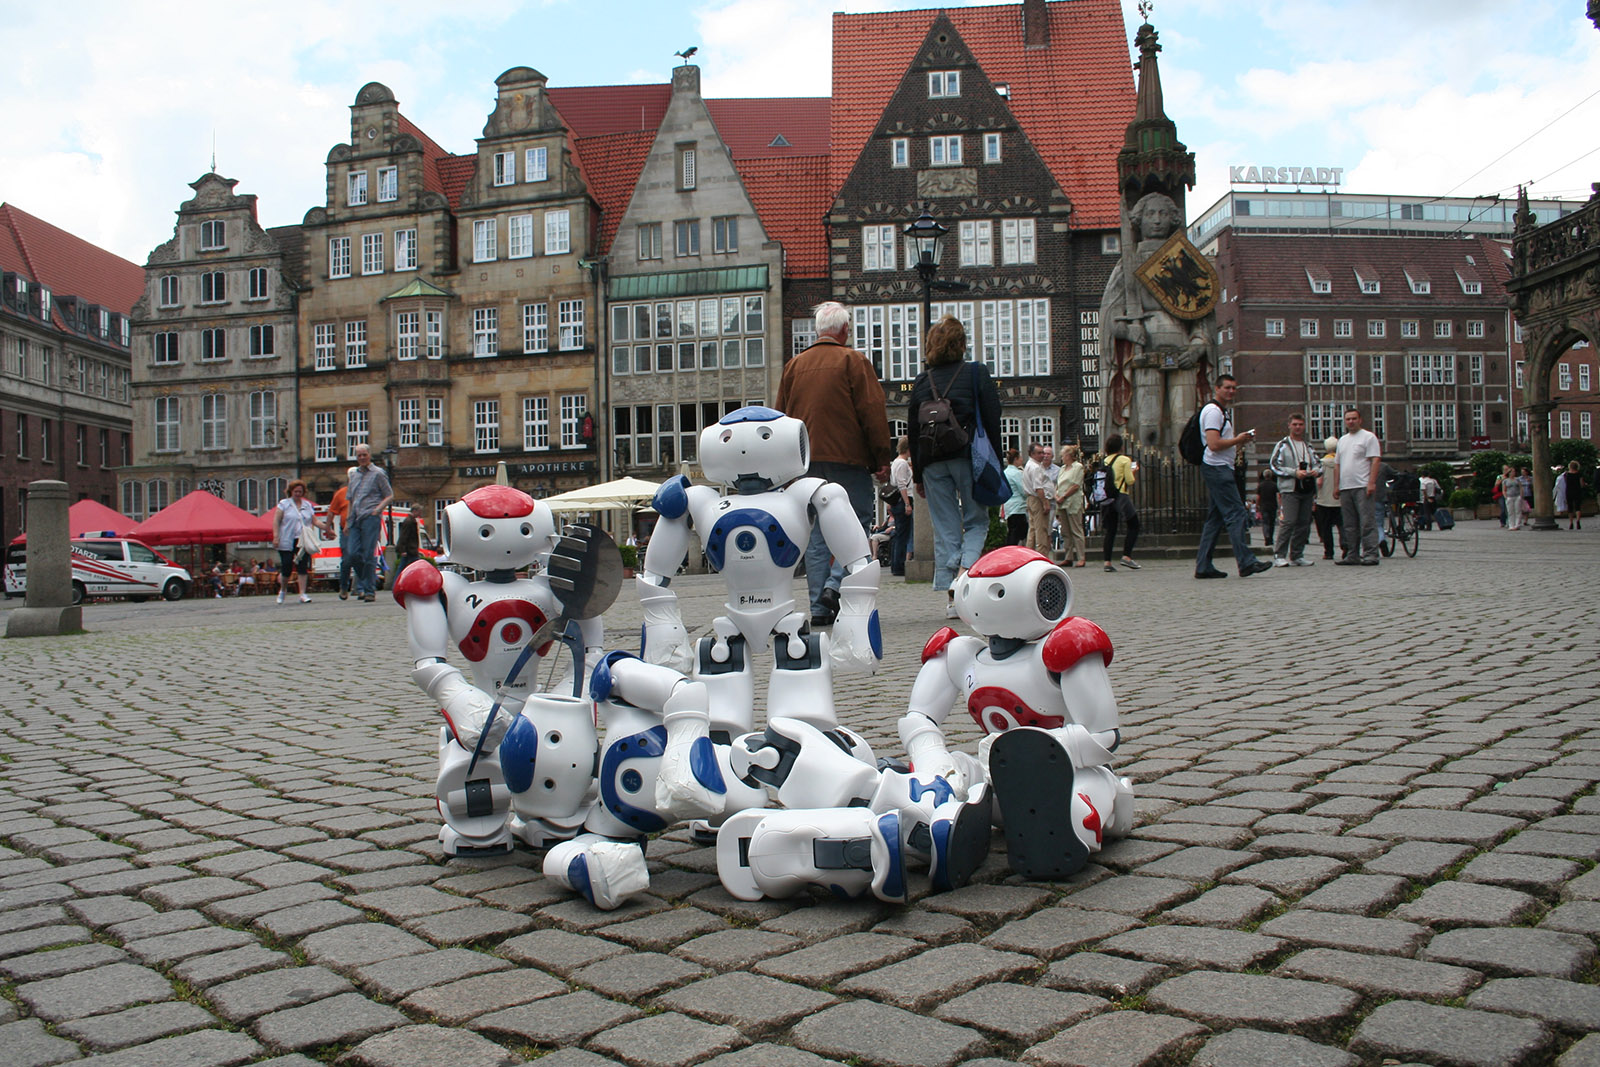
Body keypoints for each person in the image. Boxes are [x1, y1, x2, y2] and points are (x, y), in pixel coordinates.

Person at [775, 301, 892, 627]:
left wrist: (786, 466)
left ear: (817, 331)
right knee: (854, 522)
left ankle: (819, 608)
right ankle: (834, 585)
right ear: (844, 330)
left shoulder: (793, 366)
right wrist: (881, 457)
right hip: (847, 459)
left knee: (816, 535)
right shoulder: (853, 360)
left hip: (805, 464)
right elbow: (872, 412)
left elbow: (780, 417)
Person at [908, 315, 1003, 619]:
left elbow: (912, 430)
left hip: (933, 461)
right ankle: (964, 578)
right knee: (977, 521)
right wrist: (996, 462)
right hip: (967, 456)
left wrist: (918, 473)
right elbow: (991, 420)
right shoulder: (976, 373)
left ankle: (951, 596)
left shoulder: (923, 380)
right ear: (961, 344)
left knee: (946, 527)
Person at [1195, 375, 1269, 578]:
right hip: (1217, 468)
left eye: (1234, 388)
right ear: (1217, 388)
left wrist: (1238, 441)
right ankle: (1246, 562)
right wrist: (1238, 440)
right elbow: (1213, 444)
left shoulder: (1220, 411)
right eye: (1227, 387)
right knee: (1236, 514)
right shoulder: (1213, 412)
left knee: (1214, 519)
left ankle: (1203, 566)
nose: (1231, 391)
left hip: (1220, 467)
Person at [1268, 414, 1319, 567]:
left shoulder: (1308, 446)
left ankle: (1297, 554)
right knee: (1288, 521)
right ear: (1289, 425)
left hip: (1307, 488)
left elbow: (1318, 464)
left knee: (1304, 522)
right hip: (1290, 489)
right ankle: (1279, 554)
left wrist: (1315, 471)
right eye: (1295, 424)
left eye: (1301, 424)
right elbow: (1274, 465)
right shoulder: (1283, 445)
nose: (1298, 427)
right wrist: (1293, 472)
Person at [1333, 408, 1382, 565]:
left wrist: (1371, 482)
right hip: (1346, 486)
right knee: (1349, 524)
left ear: (1360, 420)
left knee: (1367, 521)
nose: (1351, 421)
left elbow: (1375, 460)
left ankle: (1371, 553)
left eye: (1354, 418)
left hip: (1362, 485)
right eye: (1348, 419)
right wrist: (1336, 486)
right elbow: (1337, 464)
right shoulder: (1342, 440)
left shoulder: (1368, 437)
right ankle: (1352, 553)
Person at [347, 445, 394, 601]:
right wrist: (348, 520)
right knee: (353, 554)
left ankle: (369, 590)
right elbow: (350, 499)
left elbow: (389, 495)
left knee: (368, 554)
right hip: (355, 517)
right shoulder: (353, 475)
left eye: (364, 455)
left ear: (369, 455)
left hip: (370, 516)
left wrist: (378, 509)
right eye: (359, 455)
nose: (362, 458)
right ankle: (366, 581)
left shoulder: (378, 473)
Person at [272, 480, 330, 604]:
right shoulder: (284, 504)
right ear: (291, 492)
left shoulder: (307, 505)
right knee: (286, 565)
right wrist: (276, 536)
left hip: (302, 540)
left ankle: (302, 593)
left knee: (302, 566)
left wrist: (326, 527)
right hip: (287, 539)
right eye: (296, 491)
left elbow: (314, 521)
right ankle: (283, 591)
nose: (298, 494)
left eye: (300, 491)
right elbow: (276, 521)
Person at [1098, 435, 1140, 573]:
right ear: (1121, 447)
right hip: (1121, 496)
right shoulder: (1124, 460)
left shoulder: (1105, 460)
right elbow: (1130, 481)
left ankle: (1107, 562)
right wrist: (1133, 472)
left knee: (1111, 530)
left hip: (1107, 498)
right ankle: (1126, 556)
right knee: (1134, 524)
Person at [1055, 444, 1088, 568]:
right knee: (1065, 531)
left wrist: (1063, 496)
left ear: (1068, 455)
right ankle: (1068, 557)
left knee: (1076, 530)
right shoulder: (1063, 468)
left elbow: (1075, 485)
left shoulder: (1077, 467)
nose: (1061, 457)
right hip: (1062, 503)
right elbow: (1057, 484)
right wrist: (1057, 495)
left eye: (1063, 455)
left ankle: (1081, 557)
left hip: (1072, 502)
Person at [887, 437, 915, 575]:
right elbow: (902, 484)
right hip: (903, 499)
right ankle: (899, 566)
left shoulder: (895, 463)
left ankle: (895, 565)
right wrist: (907, 504)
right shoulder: (902, 464)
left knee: (899, 534)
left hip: (896, 501)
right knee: (902, 535)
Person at [1312, 436, 1343, 559]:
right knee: (1342, 526)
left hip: (1324, 501)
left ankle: (1328, 552)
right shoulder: (1341, 462)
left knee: (1326, 528)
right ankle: (1345, 546)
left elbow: (1319, 483)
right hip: (1339, 500)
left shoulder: (1321, 463)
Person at [1022, 443, 1053, 554]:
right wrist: (1045, 502)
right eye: (1039, 453)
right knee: (1041, 530)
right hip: (1037, 500)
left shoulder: (1030, 465)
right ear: (1032, 454)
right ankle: (1042, 556)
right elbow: (1038, 488)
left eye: (1043, 452)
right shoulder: (1035, 468)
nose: (1043, 455)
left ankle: (1029, 554)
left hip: (1031, 499)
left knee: (1033, 530)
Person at [327, 482, 354, 599]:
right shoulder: (341, 493)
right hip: (346, 531)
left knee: (362, 558)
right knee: (347, 559)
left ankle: (363, 588)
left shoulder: (365, 492)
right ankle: (344, 587)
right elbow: (331, 511)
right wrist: (328, 528)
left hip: (362, 529)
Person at [1002, 449, 1028, 546]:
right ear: (1016, 459)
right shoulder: (1016, 473)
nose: (1022, 460)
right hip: (1018, 507)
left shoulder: (1005, 472)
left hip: (1009, 505)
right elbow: (1023, 490)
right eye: (1020, 457)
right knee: (1018, 533)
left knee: (1011, 530)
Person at [1498, 464, 1524, 531]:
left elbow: (1521, 488)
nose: (1513, 473)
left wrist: (1521, 496)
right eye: (1512, 472)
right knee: (1510, 511)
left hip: (1517, 496)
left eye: (1514, 472)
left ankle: (1517, 524)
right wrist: (1505, 496)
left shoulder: (1517, 480)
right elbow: (1504, 489)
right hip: (1509, 496)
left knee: (1518, 511)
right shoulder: (1505, 480)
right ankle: (1511, 525)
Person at [1563, 460, 1585, 529]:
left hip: (1569, 491)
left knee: (1570, 507)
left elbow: (1565, 483)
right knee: (1578, 507)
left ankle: (1571, 522)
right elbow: (1581, 484)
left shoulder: (1566, 474)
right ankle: (1578, 521)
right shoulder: (1579, 474)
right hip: (1577, 491)